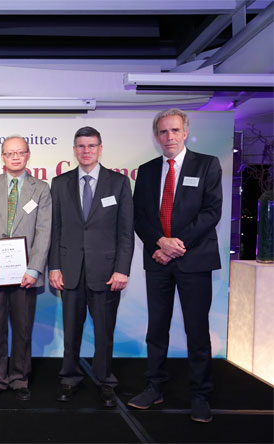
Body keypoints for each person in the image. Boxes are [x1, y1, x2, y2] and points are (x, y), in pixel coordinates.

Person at [128, 109, 222, 423]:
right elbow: (139, 216)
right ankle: (154, 386)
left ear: (185, 132)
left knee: (197, 331)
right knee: (156, 328)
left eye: (175, 131)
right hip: (158, 262)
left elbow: (211, 212)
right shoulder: (147, 170)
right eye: (163, 132)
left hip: (194, 260)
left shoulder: (207, 164)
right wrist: (160, 243)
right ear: (157, 136)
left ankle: (200, 395)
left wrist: (175, 244)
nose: (169, 137)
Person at [48, 126, 134, 408]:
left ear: (100, 148)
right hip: (70, 270)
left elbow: (125, 231)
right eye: (81, 146)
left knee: (104, 331)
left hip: (107, 272)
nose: (86, 151)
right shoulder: (60, 183)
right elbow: (55, 229)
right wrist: (55, 266)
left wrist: (122, 269)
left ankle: (106, 380)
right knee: (71, 330)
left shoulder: (119, 183)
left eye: (91, 146)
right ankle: (69, 377)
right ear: (74, 150)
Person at [0, 136, 51, 401]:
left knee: (22, 328)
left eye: (20, 152)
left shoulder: (40, 188)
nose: (15, 157)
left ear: (28, 155)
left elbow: (44, 231)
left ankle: (19, 378)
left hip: (24, 274)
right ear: (3, 157)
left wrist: (34, 269)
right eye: (10, 153)